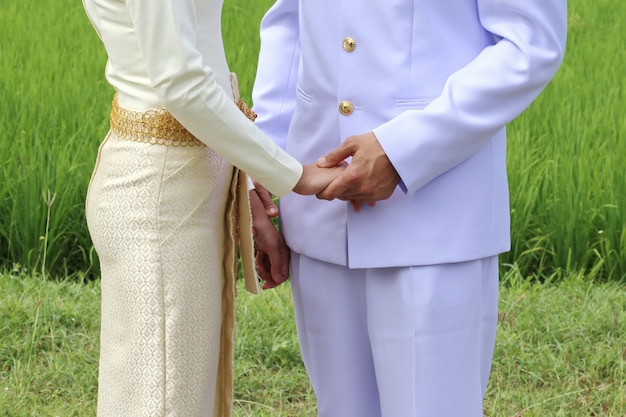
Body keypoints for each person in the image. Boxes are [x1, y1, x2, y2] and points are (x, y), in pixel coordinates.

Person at [251, 1, 567, 416]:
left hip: (434, 212)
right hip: (318, 206)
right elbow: (290, 22)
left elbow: (531, 41)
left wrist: (402, 150)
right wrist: (263, 165)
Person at [81, 1, 343, 416]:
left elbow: (197, 63)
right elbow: (180, 81)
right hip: (161, 196)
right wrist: (292, 175)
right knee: (164, 395)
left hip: (180, 182)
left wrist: (245, 178)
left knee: (179, 387)